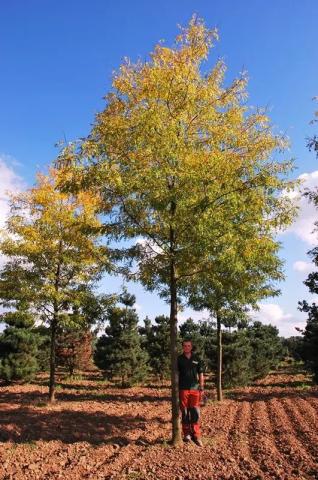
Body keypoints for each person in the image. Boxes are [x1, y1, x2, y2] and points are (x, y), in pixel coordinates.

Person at [177, 339, 204, 446]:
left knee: (195, 411)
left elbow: (201, 373)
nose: (187, 347)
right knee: (184, 411)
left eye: (188, 346)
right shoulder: (179, 359)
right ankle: (187, 433)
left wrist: (201, 386)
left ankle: (196, 434)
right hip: (183, 388)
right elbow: (176, 374)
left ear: (191, 347)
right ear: (182, 347)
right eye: (185, 346)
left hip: (195, 388)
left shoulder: (197, 359)